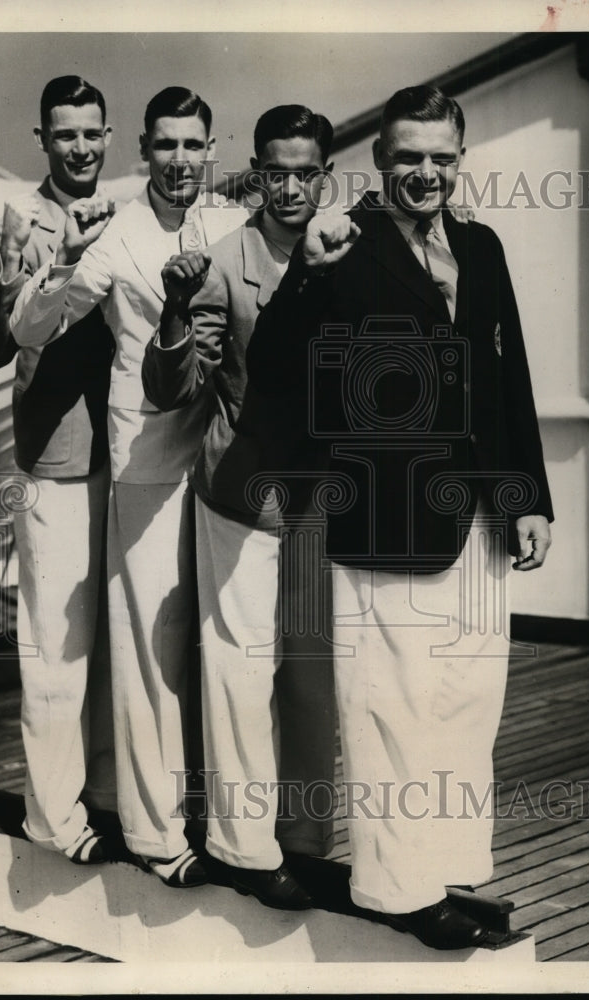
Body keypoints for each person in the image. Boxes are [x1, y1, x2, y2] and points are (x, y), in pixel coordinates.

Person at [246, 86, 553, 948]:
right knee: (390, 710)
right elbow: (272, 368)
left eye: (441, 158)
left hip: (476, 519)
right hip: (384, 518)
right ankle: (395, 889)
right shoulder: (342, 245)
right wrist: (305, 272)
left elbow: (508, 380)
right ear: (378, 160)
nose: (425, 173)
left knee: (464, 701)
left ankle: (442, 873)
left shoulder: (482, 247)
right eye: (407, 157)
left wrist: (525, 499)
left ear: (459, 159)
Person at [10, 87, 249, 887]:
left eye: (194, 146)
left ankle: (224, 822)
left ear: (208, 151)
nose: (180, 160)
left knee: (212, 642)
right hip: (145, 457)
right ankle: (152, 831)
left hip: (221, 457)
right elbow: (30, 329)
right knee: (149, 644)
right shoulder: (112, 233)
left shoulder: (227, 222)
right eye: (166, 146)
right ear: (141, 150)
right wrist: (68, 257)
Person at [142, 105, 340, 909]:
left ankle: (303, 841)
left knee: (312, 677)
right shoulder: (221, 261)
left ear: (325, 173)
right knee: (238, 671)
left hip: (325, 502)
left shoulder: (353, 251)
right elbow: (174, 391)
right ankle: (239, 845)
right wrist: (175, 310)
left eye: (305, 172)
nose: (289, 188)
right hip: (241, 500)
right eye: (274, 171)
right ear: (255, 171)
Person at [0, 75, 116, 864]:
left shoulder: (125, 212)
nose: (81, 148)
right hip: (55, 464)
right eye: (65, 135)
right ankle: (51, 820)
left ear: (108, 135)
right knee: (54, 653)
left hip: (127, 461)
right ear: (43, 140)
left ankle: (102, 801)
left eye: (92, 133)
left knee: (114, 648)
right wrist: (30, 264)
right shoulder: (18, 221)